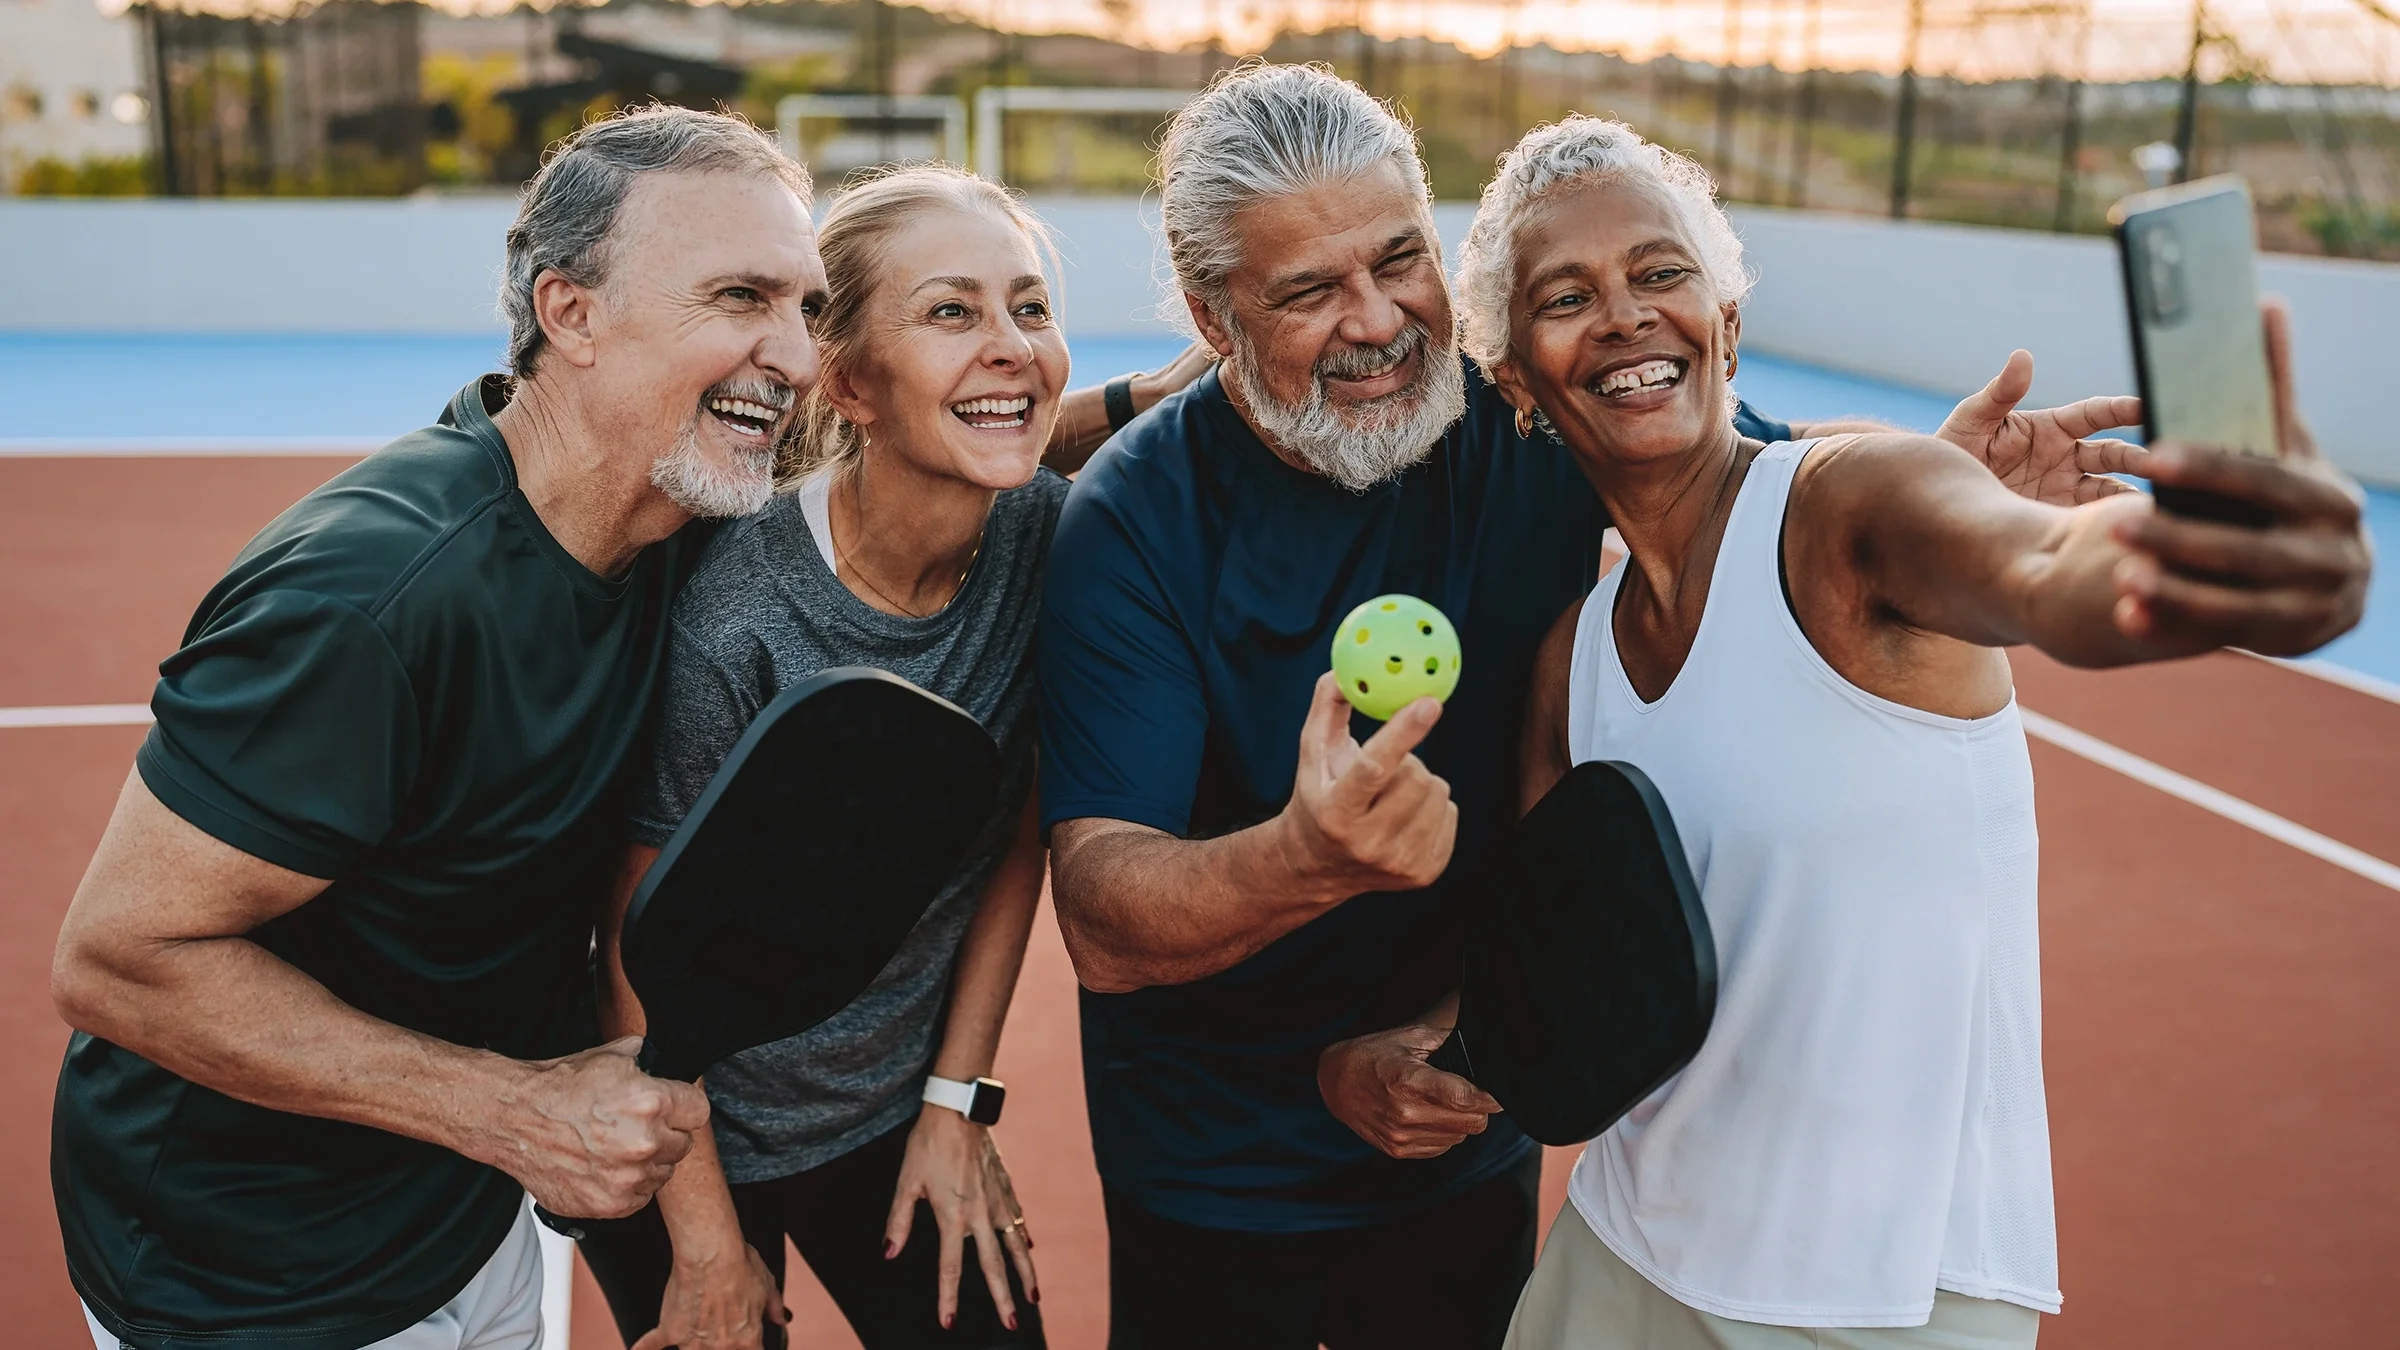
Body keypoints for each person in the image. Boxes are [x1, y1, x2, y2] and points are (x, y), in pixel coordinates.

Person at [1034, 63, 2149, 1350]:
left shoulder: (1522, 414)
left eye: (1402, 258)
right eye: (1308, 290)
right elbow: (1108, 915)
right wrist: (1306, 860)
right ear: (1210, 315)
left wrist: (1944, 500)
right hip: (1213, 1164)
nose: (1380, 317)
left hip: (1470, 1118)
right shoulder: (1132, 523)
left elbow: (1748, 462)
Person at [1453, 117, 2369, 1348]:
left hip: (1885, 1303)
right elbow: (1547, 974)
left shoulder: (1858, 500)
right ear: (1515, 375)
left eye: (1661, 273)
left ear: (1726, 320)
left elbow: (2042, 567)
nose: (1623, 315)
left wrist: (2185, 569)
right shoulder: (1575, 659)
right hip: (1623, 1255)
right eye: (1567, 295)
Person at [48, 107, 814, 1350]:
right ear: (570, 315)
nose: (794, 354)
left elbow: (910, 457)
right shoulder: (371, 604)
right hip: (248, 1273)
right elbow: (120, 958)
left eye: (805, 307)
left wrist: (1156, 409)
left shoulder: (677, 497)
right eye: (740, 297)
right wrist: (511, 1110)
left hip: (461, 1208)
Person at [572, 164, 1109, 1350]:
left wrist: (956, 1102)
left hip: (888, 1109)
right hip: (684, 1124)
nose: (1013, 345)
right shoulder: (739, 618)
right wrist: (707, 1245)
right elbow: (632, 949)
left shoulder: (1050, 542)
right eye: (952, 312)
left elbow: (1016, 827)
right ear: (852, 382)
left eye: (1030, 307)